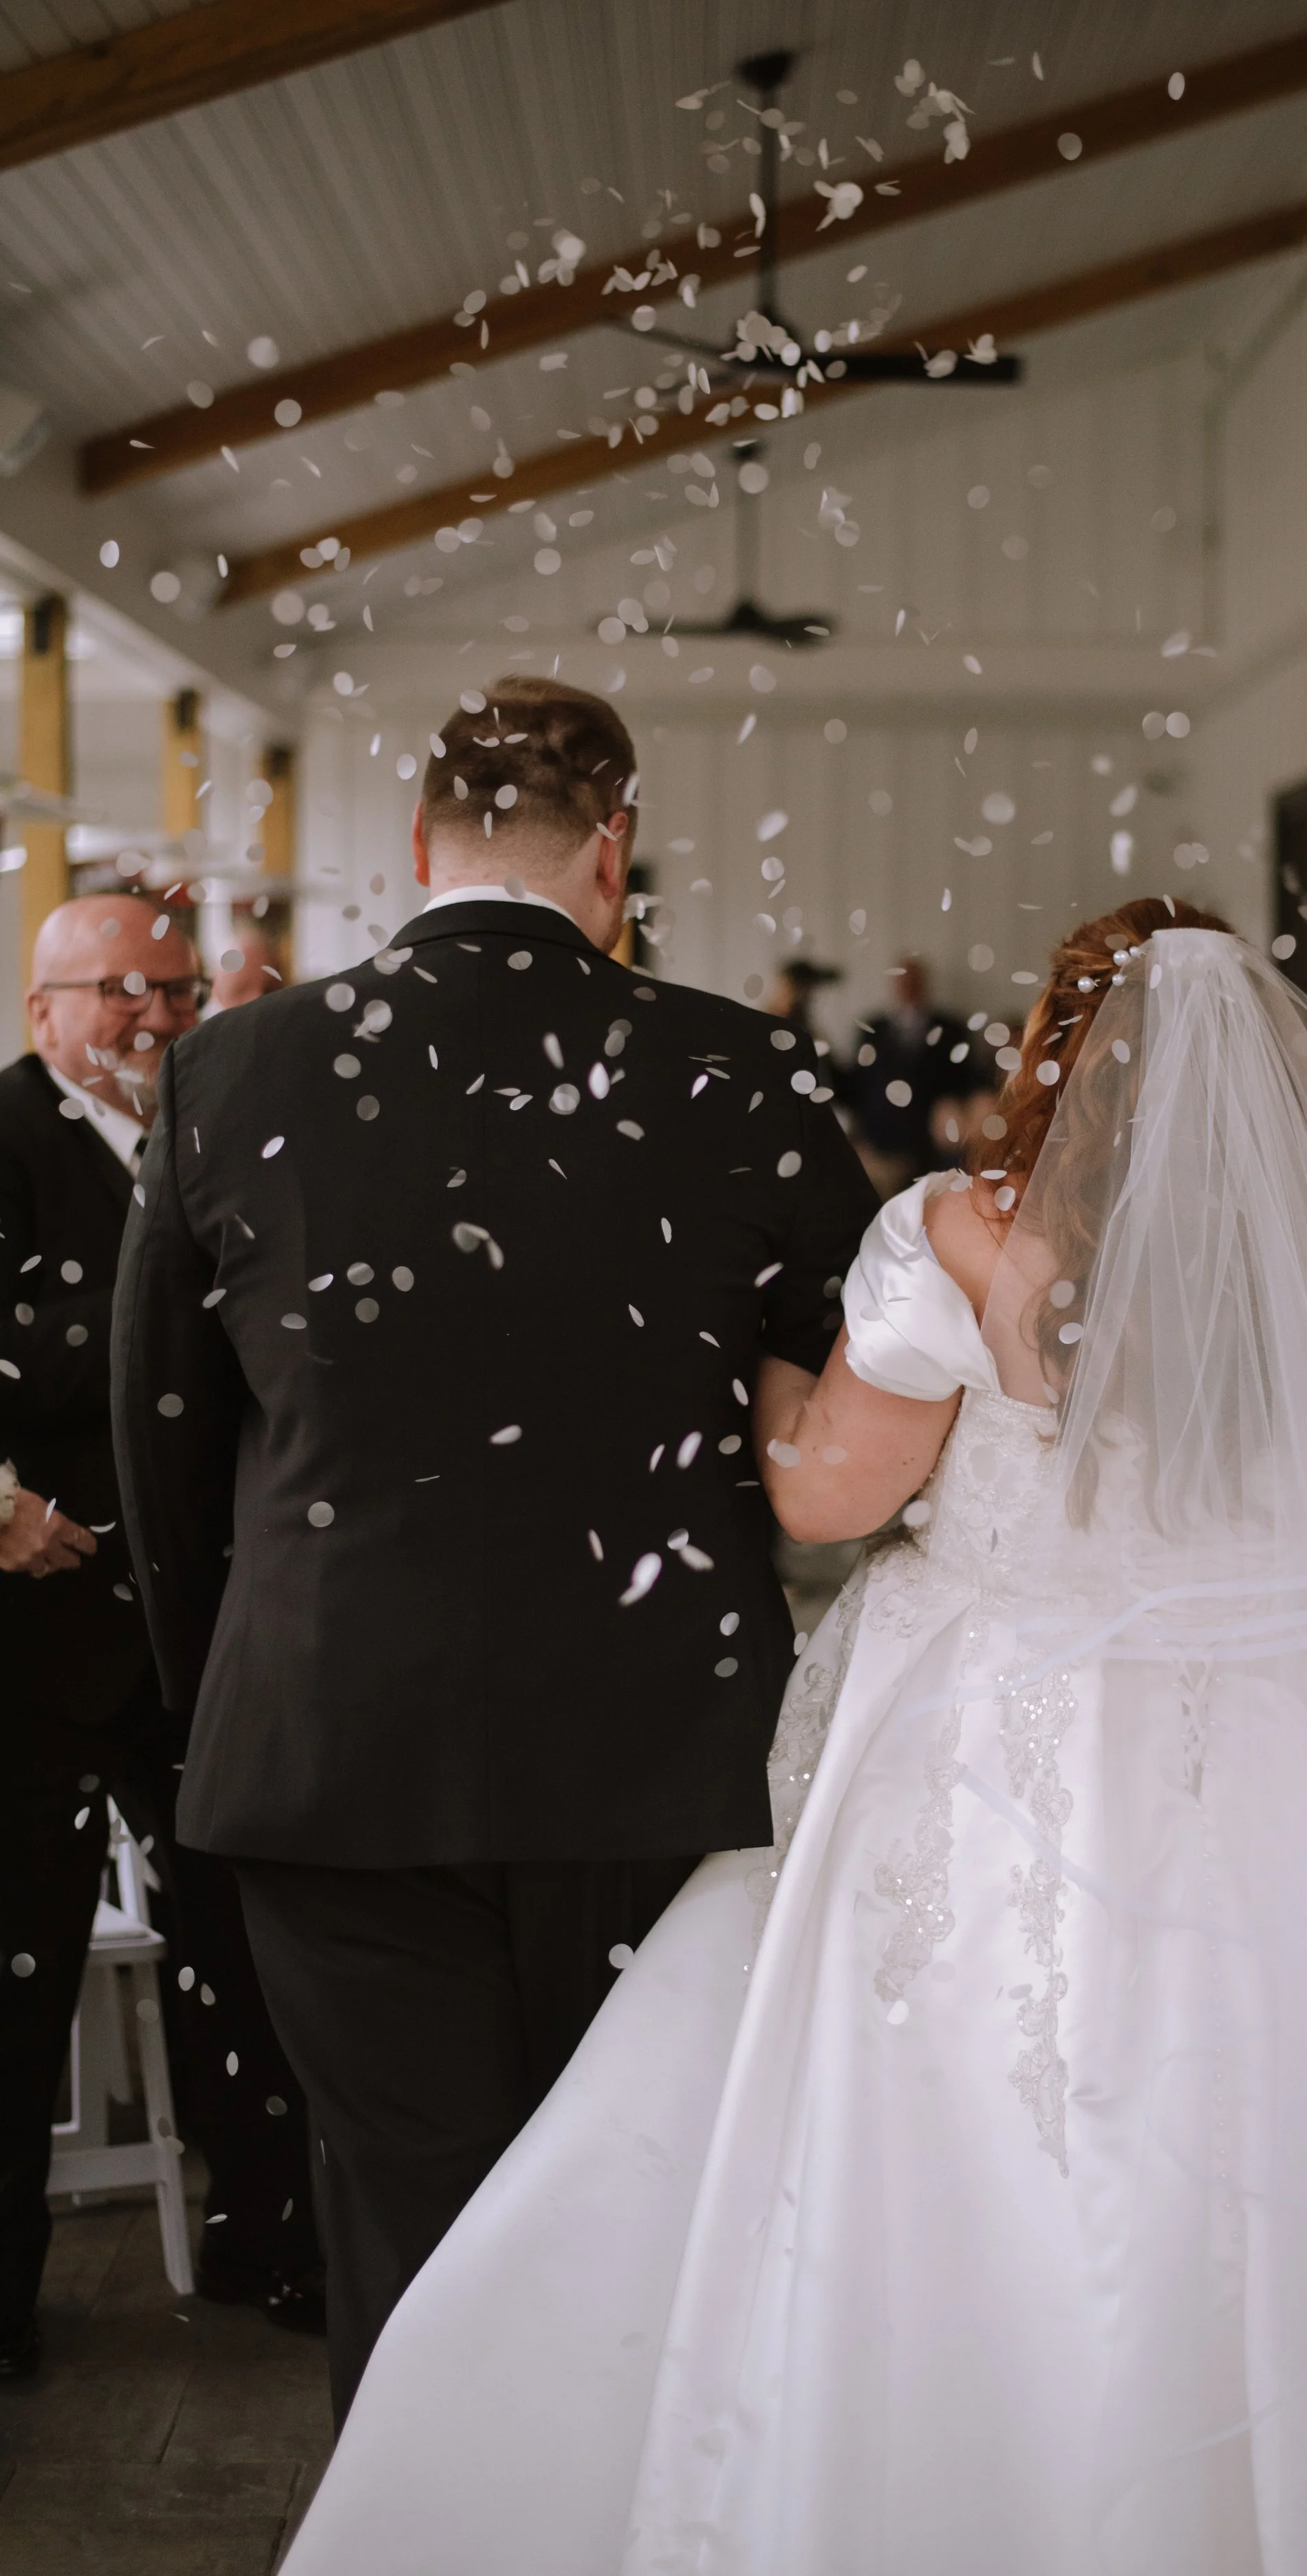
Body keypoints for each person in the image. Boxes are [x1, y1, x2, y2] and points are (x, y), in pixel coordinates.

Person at [279, 897, 1307, 2576]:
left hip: (1014, 1758)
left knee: (1002, 2152)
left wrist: (755, 1393)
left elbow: (832, 1490)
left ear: (1063, 1053)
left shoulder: (966, 1239)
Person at [111, 676, 878, 2428]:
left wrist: (218, 1700)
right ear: (614, 850)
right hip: (650, 1750)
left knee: (406, 2214)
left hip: (329, 1747)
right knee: (635, 2201)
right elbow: (864, 1390)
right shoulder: (730, 1065)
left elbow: (162, 1434)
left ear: (412, 848)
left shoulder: (234, 1064)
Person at [0, 897, 321, 2385]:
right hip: (32, 1640)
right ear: (43, 1007)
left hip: (206, 1631)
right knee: (19, 1966)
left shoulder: (227, 1136)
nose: (151, 1015)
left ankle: (271, 2235)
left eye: (177, 990)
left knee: (244, 1946)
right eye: (118, 990)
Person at [841, 953, 986, 1194]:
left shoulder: (951, 1028)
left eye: (914, 979)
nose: (908, 986)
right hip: (882, 1143)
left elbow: (965, 1081)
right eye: (902, 979)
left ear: (925, 983)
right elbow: (859, 1084)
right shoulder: (872, 1029)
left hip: (934, 1144)